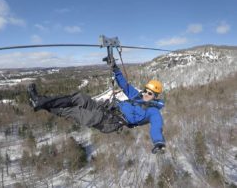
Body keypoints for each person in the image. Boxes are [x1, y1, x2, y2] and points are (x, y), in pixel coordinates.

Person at [27, 64, 166, 154]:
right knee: (80, 98)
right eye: (146, 90)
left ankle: (40, 103)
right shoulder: (137, 95)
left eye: (150, 93)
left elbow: (156, 127)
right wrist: (116, 69)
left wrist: (158, 142)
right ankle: (40, 100)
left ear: (155, 96)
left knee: (75, 112)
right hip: (107, 109)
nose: (146, 94)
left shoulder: (153, 112)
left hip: (110, 122)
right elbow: (125, 85)